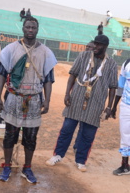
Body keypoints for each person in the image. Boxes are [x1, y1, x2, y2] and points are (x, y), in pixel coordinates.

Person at [0, 17, 57, 183]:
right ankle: (7, 166)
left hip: (35, 100)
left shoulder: (45, 52)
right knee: (9, 135)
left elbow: (48, 79)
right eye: (28, 27)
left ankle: (27, 168)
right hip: (14, 98)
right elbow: (1, 74)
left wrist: (47, 100)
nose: (30, 30)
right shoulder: (10, 49)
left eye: (33, 27)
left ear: (37, 29)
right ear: (23, 28)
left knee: (31, 137)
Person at [46, 35, 118, 172]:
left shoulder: (112, 64)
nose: (95, 47)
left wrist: (109, 107)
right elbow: (73, 75)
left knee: (88, 135)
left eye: (99, 45)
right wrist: (67, 94)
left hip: (96, 104)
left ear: (105, 46)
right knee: (66, 130)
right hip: (76, 99)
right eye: (95, 44)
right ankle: (58, 155)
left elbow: (113, 87)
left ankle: (81, 160)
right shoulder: (84, 56)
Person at [73, 40, 95, 153]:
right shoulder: (81, 59)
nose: (87, 49)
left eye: (90, 47)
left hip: (90, 99)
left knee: (84, 125)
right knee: (72, 122)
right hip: (78, 96)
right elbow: (73, 75)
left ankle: (77, 146)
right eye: (86, 47)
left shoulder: (99, 63)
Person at [111, 58, 130, 175]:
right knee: (125, 134)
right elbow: (121, 86)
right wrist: (114, 106)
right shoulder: (127, 63)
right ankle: (125, 165)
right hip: (126, 105)